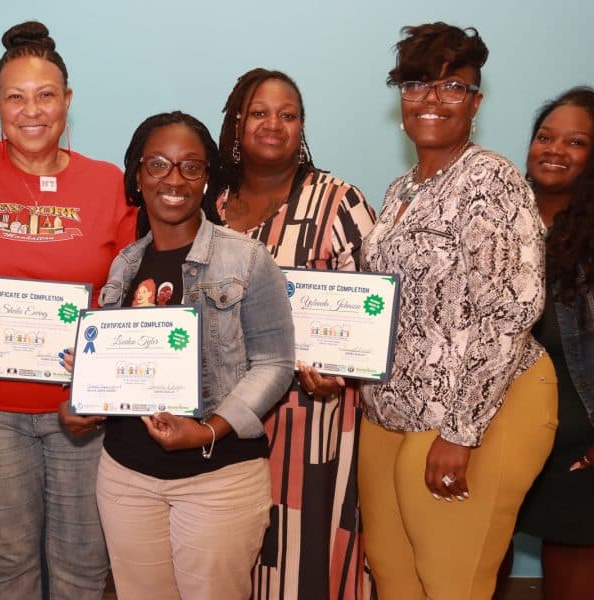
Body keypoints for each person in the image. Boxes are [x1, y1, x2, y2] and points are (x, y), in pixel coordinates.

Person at [0, 21, 136, 599]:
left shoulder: (108, 183)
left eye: (46, 95)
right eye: (15, 97)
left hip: (81, 413)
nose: (31, 110)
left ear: (68, 100)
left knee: (83, 569)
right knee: (8, 566)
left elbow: (127, 296)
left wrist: (107, 384)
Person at [358, 23, 557, 600]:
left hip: (477, 409)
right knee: (393, 577)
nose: (432, 99)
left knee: (452, 582)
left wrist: (461, 432)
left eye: (453, 86)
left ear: (476, 101)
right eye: (417, 83)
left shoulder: (490, 180)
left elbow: (512, 311)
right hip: (392, 410)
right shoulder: (401, 192)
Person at [61, 111, 295, 599]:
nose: (174, 179)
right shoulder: (123, 265)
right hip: (126, 477)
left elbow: (275, 363)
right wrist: (86, 401)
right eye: (158, 164)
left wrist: (210, 428)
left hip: (218, 479)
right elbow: (122, 371)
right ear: (137, 176)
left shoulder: (248, 259)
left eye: (191, 167)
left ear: (207, 178)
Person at [216, 68, 376, 600]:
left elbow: (372, 310)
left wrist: (341, 370)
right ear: (236, 123)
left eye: (288, 115)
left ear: (302, 127)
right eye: (259, 112)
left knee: (304, 557)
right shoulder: (208, 206)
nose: (273, 124)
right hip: (224, 417)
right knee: (224, 555)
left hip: (314, 417)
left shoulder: (338, 200)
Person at [515, 86, 594, 599]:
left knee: (569, 570)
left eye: (576, 142)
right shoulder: (498, 222)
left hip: (577, 443)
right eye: (545, 137)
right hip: (489, 429)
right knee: (475, 564)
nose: (555, 150)